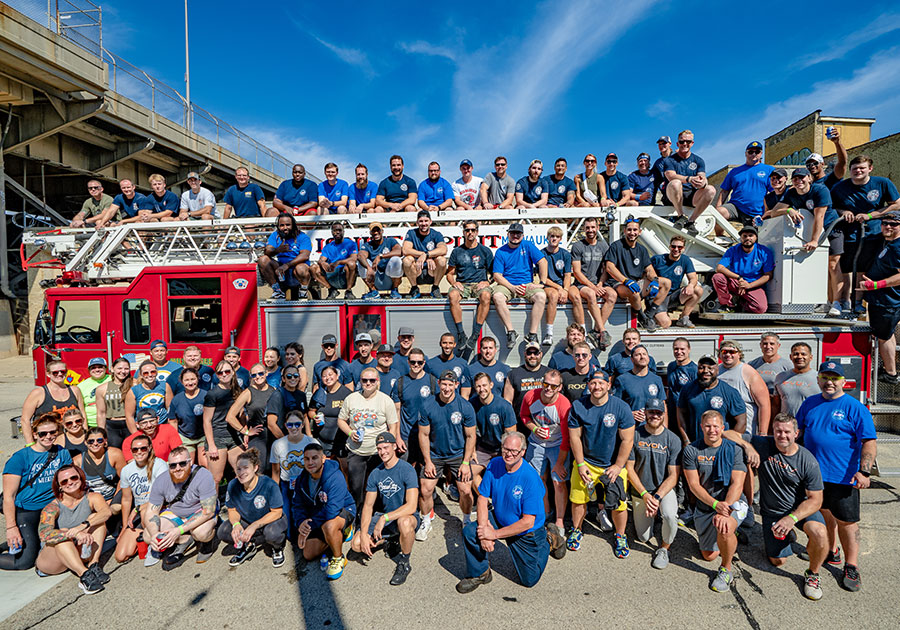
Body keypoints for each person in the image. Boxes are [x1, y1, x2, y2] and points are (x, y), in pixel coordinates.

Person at [724, 414, 829, 600]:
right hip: (772, 512)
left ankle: (813, 574)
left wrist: (792, 518)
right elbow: (727, 433)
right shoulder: (763, 443)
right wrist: (748, 446)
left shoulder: (807, 460)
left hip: (799, 510)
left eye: (787, 431)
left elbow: (816, 500)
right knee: (778, 561)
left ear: (796, 433)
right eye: (778, 431)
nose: (782, 435)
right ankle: (787, 536)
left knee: (820, 533)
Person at [796, 361, 877, 592]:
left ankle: (851, 565)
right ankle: (831, 552)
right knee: (825, 516)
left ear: (843, 382)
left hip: (844, 476)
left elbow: (869, 441)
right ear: (818, 379)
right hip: (814, 477)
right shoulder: (810, 404)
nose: (829, 382)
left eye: (835, 378)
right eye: (825, 377)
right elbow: (798, 433)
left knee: (847, 522)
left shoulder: (854, 407)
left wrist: (864, 471)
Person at [456, 431, 552, 593]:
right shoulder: (495, 464)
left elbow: (527, 521)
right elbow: (482, 498)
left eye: (514, 451)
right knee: (470, 532)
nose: (509, 454)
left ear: (522, 452)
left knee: (529, 580)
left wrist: (494, 535)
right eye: (505, 449)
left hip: (525, 531)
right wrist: (484, 528)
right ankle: (480, 573)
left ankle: (549, 539)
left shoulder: (530, 478)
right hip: (500, 517)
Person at [566, 369, 635, 558]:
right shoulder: (578, 406)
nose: (597, 387)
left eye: (601, 383)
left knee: (619, 503)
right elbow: (575, 437)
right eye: (593, 383)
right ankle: (577, 529)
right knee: (578, 499)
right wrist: (580, 464)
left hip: (613, 464)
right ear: (589, 385)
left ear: (608, 385)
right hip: (586, 462)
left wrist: (618, 466)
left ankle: (620, 536)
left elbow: (627, 440)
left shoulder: (621, 407)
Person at [682, 410, 749, 593]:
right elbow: (694, 485)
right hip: (707, 505)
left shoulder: (734, 450)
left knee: (725, 527)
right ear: (701, 427)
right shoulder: (691, 450)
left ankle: (726, 569)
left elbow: (737, 483)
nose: (712, 430)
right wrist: (714, 505)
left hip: (732, 503)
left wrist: (724, 508)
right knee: (708, 555)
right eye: (708, 426)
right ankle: (731, 536)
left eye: (715, 426)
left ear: (723, 428)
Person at [1, 413, 73, 571]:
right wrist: (11, 527)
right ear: (35, 434)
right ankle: (19, 536)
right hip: (27, 509)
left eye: (53, 432)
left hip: (51, 508)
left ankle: (27, 538)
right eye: (43, 433)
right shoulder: (20, 458)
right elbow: (8, 497)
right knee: (25, 562)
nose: (49, 436)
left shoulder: (62, 453)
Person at [831, 157, 900, 315]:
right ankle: (844, 301)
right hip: (847, 233)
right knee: (845, 267)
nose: (858, 171)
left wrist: (872, 215)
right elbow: (832, 207)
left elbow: (896, 204)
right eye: (855, 168)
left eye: (862, 168)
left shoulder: (882, 183)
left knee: (863, 268)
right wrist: (844, 212)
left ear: (870, 168)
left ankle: (858, 302)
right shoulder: (840, 187)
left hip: (873, 233)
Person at [350, 432, 419, 586]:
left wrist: (385, 518)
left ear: (394, 446)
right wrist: (363, 531)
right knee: (356, 544)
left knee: (404, 523)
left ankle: (404, 563)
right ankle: (389, 540)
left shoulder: (406, 469)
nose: (383, 452)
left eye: (386, 447)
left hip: (406, 516)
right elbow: (368, 506)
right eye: (379, 448)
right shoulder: (376, 473)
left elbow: (412, 505)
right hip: (386, 517)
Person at [416, 370, 477, 540]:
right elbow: (423, 435)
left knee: (465, 490)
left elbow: (471, 436)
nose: (447, 388)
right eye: (444, 384)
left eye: (451, 384)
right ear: (439, 384)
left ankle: (466, 520)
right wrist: (427, 461)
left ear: (456, 385)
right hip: (435, 454)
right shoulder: (428, 404)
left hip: (458, 454)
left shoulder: (465, 406)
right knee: (426, 489)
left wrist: (466, 463)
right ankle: (426, 520)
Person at [769, 168, 842, 307]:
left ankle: (837, 302)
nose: (799, 181)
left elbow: (819, 217)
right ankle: (823, 301)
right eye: (795, 179)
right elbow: (774, 212)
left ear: (809, 178)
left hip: (830, 229)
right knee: (818, 266)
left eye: (802, 178)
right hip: (809, 230)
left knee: (833, 266)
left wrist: (815, 240)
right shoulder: (791, 193)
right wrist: (789, 210)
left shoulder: (820, 190)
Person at [35, 465, 111, 594]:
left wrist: (82, 526)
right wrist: (73, 534)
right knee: (62, 534)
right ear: (59, 486)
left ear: (80, 478)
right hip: (53, 560)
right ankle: (84, 576)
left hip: (77, 552)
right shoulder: (53, 507)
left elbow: (106, 512)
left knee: (96, 519)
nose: (70, 482)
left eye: (74, 477)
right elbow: (44, 534)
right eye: (64, 481)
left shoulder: (92, 497)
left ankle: (93, 565)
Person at [626, 398, 681, 569]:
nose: (655, 416)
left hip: (662, 491)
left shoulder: (673, 439)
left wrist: (656, 497)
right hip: (641, 491)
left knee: (671, 516)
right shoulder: (635, 434)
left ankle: (664, 549)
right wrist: (645, 495)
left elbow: (673, 475)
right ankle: (653, 516)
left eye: (658, 413)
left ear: (664, 415)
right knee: (643, 537)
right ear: (645, 413)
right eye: (651, 412)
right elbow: (629, 469)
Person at [145, 446, 218, 569]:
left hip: (199, 511)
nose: (177, 468)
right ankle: (185, 539)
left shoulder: (203, 475)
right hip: (176, 513)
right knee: (148, 535)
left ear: (190, 462)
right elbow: (151, 512)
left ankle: (206, 542)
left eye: (182, 464)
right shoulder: (161, 479)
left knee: (201, 533)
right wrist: (154, 534)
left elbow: (208, 511)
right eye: (173, 465)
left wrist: (178, 531)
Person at [338, 367, 401, 510]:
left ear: (377, 382)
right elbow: (341, 420)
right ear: (360, 381)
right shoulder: (352, 398)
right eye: (364, 380)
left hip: (378, 452)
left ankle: (377, 518)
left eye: (372, 380)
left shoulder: (385, 400)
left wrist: (389, 448)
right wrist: (349, 432)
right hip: (356, 451)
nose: (368, 383)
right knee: (356, 488)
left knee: (379, 488)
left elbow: (393, 426)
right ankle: (356, 518)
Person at [292, 442, 356, 579]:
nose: (310, 462)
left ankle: (338, 558)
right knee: (308, 554)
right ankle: (340, 535)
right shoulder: (301, 479)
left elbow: (332, 509)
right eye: (307, 459)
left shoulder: (335, 476)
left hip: (343, 510)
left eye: (314, 458)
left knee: (330, 526)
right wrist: (301, 523)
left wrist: (310, 526)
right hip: (318, 515)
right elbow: (297, 505)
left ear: (322, 459)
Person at [218, 448, 288, 568]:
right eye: (238, 469)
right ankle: (248, 546)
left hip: (269, 522)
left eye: (246, 468)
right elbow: (232, 509)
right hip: (248, 521)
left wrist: (255, 525)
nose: (241, 472)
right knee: (223, 531)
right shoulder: (233, 485)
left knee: (271, 534)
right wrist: (236, 525)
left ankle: (277, 548)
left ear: (255, 468)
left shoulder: (268, 484)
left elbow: (277, 512)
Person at [521, 370, 571, 538]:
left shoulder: (564, 405)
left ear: (560, 387)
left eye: (553, 386)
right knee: (538, 479)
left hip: (558, 445)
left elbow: (567, 439)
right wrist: (534, 428)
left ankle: (559, 520)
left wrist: (559, 463)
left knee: (558, 483)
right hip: (536, 443)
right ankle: (545, 512)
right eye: (545, 384)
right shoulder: (530, 396)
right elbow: (524, 416)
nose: (548, 388)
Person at [858, 211, 900, 383]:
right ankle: (890, 370)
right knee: (886, 334)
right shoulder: (887, 243)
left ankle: (891, 374)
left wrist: (875, 285)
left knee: (884, 336)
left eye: (894, 224)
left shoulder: (898, 247)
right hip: (881, 300)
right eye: (885, 223)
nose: (888, 226)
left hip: (888, 301)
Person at [492, 222, 549, 347]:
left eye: (518, 233)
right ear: (508, 234)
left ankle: (532, 334)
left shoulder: (527, 245)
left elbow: (543, 262)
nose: (515, 236)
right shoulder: (501, 251)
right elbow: (497, 275)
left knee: (541, 296)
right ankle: (511, 331)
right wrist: (512, 287)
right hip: (508, 284)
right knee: (497, 296)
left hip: (527, 284)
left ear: (522, 235)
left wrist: (542, 283)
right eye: (512, 233)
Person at [114, 434, 167, 564]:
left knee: (145, 511)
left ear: (149, 448)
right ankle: (145, 537)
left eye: (143, 448)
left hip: (159, 509)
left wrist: (138, 508)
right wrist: (125, 526)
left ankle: (155, 545)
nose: (139, 452)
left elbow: (163, 496)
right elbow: (126, 499)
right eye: (135, 450)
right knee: (121, 556)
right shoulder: (127, 470)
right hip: (138, 513)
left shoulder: (159, 465)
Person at [605, 216, 660, 332]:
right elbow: (609, 267)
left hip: (635, 282)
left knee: (665, 283)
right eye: (629, 230)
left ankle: (649, 314)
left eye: (635, 230)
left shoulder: (642, 250)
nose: (632, 233)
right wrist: (626, 280)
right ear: (624, 231)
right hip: (619, 283)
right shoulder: (616, 246)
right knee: (634, 292)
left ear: (639, 232)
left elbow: (649, 269)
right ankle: (641, 316)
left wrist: (655, 280)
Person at [677, 354, 746, 446]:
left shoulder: (730, 392)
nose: (706, 371)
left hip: (720, 447)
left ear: (717, 370)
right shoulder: (687, 389)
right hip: (695, 446)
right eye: (702, 367)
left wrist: (729, 444)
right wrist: (686, 440)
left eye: (710, 368)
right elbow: (681, 414)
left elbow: (741, 422)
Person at [447, 220, 494, 351]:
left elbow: (495, 273)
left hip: (480, 284)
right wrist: (454, 282)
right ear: (463, 233)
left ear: (477, 232)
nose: (470, 233)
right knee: (452, 295)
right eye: (467, 230)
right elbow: (449, 274)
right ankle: (461, 334)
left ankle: (475, 335)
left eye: (473, 230)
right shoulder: (457, 251)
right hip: (463, 285)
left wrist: (487, 282)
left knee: (486, 295)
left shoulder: (485, 251)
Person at [570, 217, 616, 350]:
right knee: (591, 295)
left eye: (592, 227)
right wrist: (593, 287)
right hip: (582, 285)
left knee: (612, 295)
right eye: (587, 228)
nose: (590, 230)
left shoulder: (604, 246)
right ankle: (602, 331)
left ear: (597, 227)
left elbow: (607, 269)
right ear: (584, 229)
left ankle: (595, 331)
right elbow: (577, 272)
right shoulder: (578, 246)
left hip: (599, 284)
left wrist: (600, 284)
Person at [270, 410, 318, 534]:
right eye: (290, 425)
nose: (294, 428)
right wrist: (275, 493)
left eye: (297, 424)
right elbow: (275, 472)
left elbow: (320, 468)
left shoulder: (312, 443)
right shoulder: (277, 445)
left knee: (308, 520)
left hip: (307, 484)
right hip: (287, 484)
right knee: (289, 528)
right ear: (285, 426)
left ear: (302, 425)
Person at [664, 130, 717, 236]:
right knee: (676, 183)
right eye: (682, 142)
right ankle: (680, 216)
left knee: (711, 189)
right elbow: (671, 176)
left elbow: (703, 177)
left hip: (691, 196)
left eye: (688, 142)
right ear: (677, 144)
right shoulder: (669, 160)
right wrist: (689, 179)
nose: (685, 144)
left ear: (692, 143)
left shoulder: (698, 160)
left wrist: (703, 183)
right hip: (673, 196)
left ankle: (691, 221)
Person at [712, 225, 774, 314]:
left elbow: (768, 275)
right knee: (718, 277)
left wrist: (749, 285)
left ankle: (740, 303)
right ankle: (727, 304)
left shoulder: (764, 251)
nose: (747, 238)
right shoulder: (733, 250)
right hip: (736, 282)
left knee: (761, 309)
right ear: (740, 238)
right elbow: (720, 268)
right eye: (744, 236)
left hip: (753, 285)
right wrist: (739, 278)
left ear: (756, 237)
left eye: (751, 235)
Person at [20, 359, 85, 444]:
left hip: (71, 439)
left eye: (62, 371)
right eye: (55, 372)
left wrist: (85, 435)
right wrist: (30, 444)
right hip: (47, 441)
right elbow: (25, 420)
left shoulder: (75, 390)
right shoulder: (39, 393)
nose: (60, 374)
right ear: (48, 374)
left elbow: (82, 414)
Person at [470, 372, 516, 488]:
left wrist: (506, 453)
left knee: (504, 478)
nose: (482, 389)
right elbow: (470, 432)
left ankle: (499, 501)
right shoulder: (472, 404)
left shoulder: (504, 406)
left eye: (484, 385)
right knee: (470, 473)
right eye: (478, 386)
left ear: (491, 385)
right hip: (484, 447)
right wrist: (473, 451)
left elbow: (511, 434)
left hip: (501, 449)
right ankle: (486, 500)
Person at [201, 360, 242, 485]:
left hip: (234, 438)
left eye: (227, 371)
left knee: (242, 472)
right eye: (220, 373)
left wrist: (245, 433)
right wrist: (211, 444)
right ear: (217, 376)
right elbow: (206, 421)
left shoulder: (238, 391)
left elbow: (241, 415)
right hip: (217, 438)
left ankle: (236, 502)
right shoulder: (212, 394)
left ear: (233, 372)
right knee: (216, 478)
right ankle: (212, 505)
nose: (224, 374)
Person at [718, 340, 771, 437]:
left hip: (745, 432)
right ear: (719, 355)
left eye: (732, 352)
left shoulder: (749, 372)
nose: (728, 355)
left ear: (739, 354)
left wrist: (762, 433)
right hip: (719, 431)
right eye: (724, 352)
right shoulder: (716, 371)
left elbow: (764, 405)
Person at [714, 141, 773, 226]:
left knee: (756, 237)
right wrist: (717, 208)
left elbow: (773, 192)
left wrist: (769, 212)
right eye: (750, 152)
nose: (754, 154)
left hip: (758, 212)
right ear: (746, 153)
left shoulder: (769, 170)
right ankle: (720, 237)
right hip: (736, 208)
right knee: (719, 213)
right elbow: (724, 191)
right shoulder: (734, 171)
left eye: (757, 152)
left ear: (761, 153)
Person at [649, 234, 703, 328]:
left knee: (698, 290)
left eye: (679, 247)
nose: (676, 249)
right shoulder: (657, 259)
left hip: (673, 296)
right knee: (666, 324)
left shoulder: (685, 260)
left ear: (683, 248)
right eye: (673, 246)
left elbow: (693, 278)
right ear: (669, 247)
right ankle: (652, 314)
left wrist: (690, 285)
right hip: (658, 297)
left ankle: (684, 318)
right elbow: (646, 273)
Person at [226, 363, 275, 464]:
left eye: (261, 373)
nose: (258, 377)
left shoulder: (273, 391)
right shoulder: (248, 392)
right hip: (258, 436)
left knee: (272, 469)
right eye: (254, 375)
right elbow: (230, 417)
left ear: (266, 373)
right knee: (259, 467)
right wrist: (245, 432)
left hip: (272, 434)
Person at [395, 349, 437, 463]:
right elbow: (396, 412)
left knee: (426, 471)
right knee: (407, 469)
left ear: (424, 363)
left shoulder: (432, 381)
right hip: (406, 436)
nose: (416, 365)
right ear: (408, 362)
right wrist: (397, 437)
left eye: (419, 362)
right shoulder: (400, 382)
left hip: (427, 435)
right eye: (413, 362)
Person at [258, 212, 312, 300]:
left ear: (293, 225)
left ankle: (303, 291)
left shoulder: (302, 236)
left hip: (296, 271)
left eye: (288, 225)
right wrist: (277, 250)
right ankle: (277, 291)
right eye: (282, 225)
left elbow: (305, 256)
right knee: (263, 260)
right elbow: (267, 250)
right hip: (280, 271)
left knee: (301, 268)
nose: (285, 228)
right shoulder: (275, 235)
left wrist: (287, 265)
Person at [73, 427, 125, 515]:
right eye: (91, 441)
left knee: (116, 508)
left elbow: (124, 478)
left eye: (99, 440)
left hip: (111, 496)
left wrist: (115, 498)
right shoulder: (77, 461)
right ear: (85, 442)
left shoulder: (114, 454)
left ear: (105, 441)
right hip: (91, 500)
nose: (95, 444)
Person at [541, 225, 578, 347]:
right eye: (552, 236)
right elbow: (543, 278)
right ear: (547, 237)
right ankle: (549, 333)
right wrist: (560, 289)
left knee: (576, 296)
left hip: (564, 285)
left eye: (557, 237)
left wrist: (566, 290)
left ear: (561, 239)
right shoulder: (542, 253)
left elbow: (568, 275)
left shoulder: (565, 254)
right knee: (553, 295)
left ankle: (584, 333)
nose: (554, 239)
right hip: (549, 285)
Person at [307, 367, 350, 462]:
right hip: (322, 441)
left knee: (344, 469)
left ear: (337, 376)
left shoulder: (347, 394)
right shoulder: (319, 393)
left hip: (341, 441)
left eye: (330, 374)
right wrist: (315, 417)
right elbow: (311, 411)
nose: (327, 378)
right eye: (324, 376)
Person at [612, 345, 666, 421]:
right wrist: (629, 414)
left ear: (648, 358)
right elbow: (615, 406)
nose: (642, 357)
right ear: (632, 359)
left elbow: (663, 405)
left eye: (644, 354)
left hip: (653, 427)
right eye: (638, 355)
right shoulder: (622, 380)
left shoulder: (656, 379)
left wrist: (664, 429)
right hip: (631, 427)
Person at [401, 210, 447, 299]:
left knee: (442, 260)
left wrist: (427, 255)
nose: (423, 223)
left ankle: (435, 287)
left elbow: (443, 249)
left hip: (432, 270)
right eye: (421, 221)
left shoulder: (436, 234)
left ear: (430, 222)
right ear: (417, 222)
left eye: (426, 221)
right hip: (416, 270)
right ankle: (414, 288)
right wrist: (423, 255)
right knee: (407, 260)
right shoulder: (411, 233)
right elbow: (405, 250)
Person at [310, 222, 358, 300]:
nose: (337, 232)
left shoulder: (351, 243)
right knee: (313, 268)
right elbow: (321, 259)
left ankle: (348, 291)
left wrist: (338, 262)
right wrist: (323, 263)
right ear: (332, 232)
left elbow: (354, 258)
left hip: (344, 274)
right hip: (331, 273)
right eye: (335, 230)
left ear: (343, 231)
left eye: (340, 230)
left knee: (352, 264)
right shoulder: (328, 246)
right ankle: (331, 290)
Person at [503, 341, 550, 418]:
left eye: (536, 353)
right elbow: (508, 401)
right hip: (521, 422)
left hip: (544, 422)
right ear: (525, 354)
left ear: (541, 354)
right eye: (529, 353)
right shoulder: (513, 374)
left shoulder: (549, 373)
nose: (532, 356)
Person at [359, 221, 403, 299]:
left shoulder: (390, 241)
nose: (376, 233)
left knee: (396, 260)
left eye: (378, 230)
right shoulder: (367, 245)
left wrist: (381, 256)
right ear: (370, 233)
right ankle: (373, 291)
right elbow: (360, 256)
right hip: (374, 276)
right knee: (361, 263)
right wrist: (369, 268)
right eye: (373, 231)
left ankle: (395, 290)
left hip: (389, 276)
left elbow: (400, 251)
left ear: (382, 231)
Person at [95, 357, 132, 449]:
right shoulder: (101, 389)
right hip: (112, 426)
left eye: (126, 368)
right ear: (112, 369)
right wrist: (101, 434)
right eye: (119, 368)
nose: (123, 371)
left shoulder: (134, 385)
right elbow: (101, 413)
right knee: (114, 452)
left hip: (130, 424)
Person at [774, 342, 819, 417]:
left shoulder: (819, 378)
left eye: (803, 354)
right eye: (796, 354)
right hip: (787, 426)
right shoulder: (780, 377)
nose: (799, 357)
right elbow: (776, 405)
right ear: (790, 357)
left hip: (809, 425)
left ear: (811, 357)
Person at [124, 360, 168, 432]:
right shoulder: (134, 391)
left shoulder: (164, 386)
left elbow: (170, 410)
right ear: (141, 375)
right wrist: (136, 435)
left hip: (162, 426)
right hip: (143, 428)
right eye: (145, 373)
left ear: (157, 372)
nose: (150, 375)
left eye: (153, 372)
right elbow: (129, 417)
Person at [426, 333, 472, 399]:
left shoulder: (463, 364)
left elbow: (465, 393)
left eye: (450, 343)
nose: (447, 346)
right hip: (437, 404)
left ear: (454, 344)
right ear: (440, 344)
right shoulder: (430, 364)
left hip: (455, 405)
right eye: (444, 343)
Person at [748, 332, 794, 398]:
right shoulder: (752, 365)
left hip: (778, 405)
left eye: (772, 344)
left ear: (778, 345)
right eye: (765, 344)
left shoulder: (788, 366)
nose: (768, 347)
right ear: (760, 345)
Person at [666, 338, 697, 426]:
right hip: (671, 411)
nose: (679, 352)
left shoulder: (694, 370)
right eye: (676, 349)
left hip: (685, 413)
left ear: (689, 349)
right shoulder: (671, 366)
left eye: (682, 349)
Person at [76, 357, 110, 428]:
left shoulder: (113, 379)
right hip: (90, 424)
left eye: (100, 367)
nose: (97, 370)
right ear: (89, 370)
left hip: (110, 423)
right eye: (93, 368)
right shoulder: (81, 386)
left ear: (106, 368)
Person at [651, 135, 673, 204]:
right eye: (660, 144)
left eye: (664, 143)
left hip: (680, 192)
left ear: (670, 144)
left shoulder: (677, 157)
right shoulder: (658, 162)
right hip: (667, 195)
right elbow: (650, 176)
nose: (661, 146)